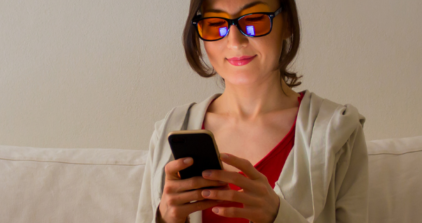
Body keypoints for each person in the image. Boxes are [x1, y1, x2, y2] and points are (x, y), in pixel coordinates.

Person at [135, 0, 368, 222]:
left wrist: (278, 216)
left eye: (254, 20)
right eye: (215, 24)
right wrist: (166, 219)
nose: (235, 41)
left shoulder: (338, 131)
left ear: (287, 22)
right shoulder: (169, 130)